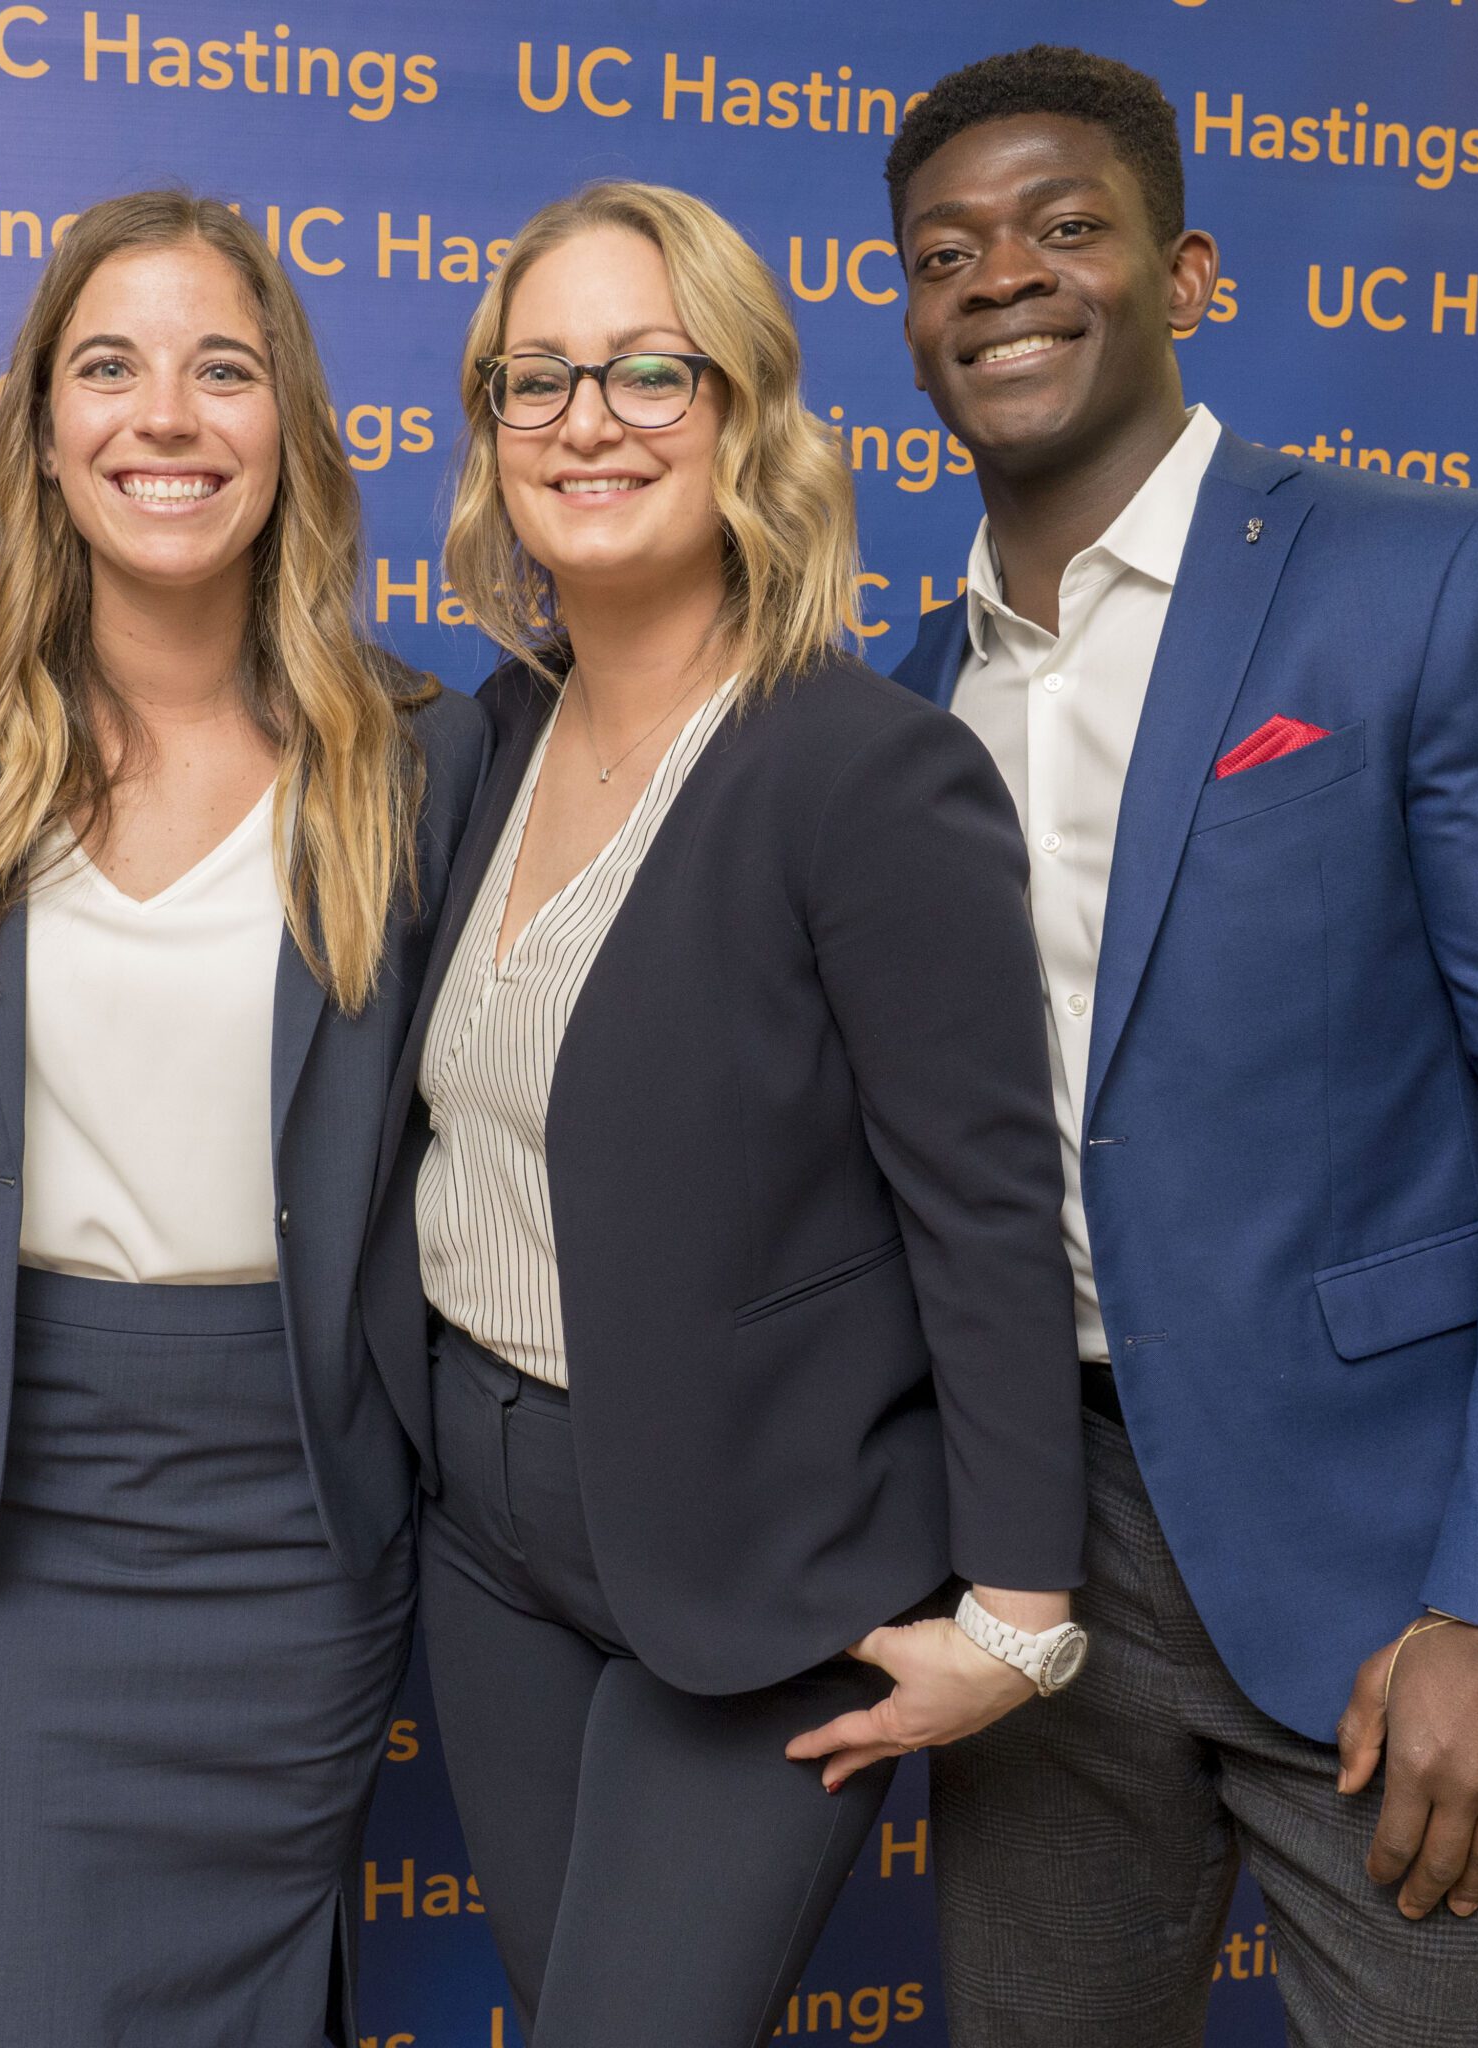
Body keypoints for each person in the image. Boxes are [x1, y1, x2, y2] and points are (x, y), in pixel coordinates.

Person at [883, 46, 1478, 2047]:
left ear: (1186, 269)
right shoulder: (904, 696)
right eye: (943, 252)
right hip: (1032, 1564)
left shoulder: (1428, 578)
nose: (1003, 280)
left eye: (1064, 229)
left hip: (1392, 1569)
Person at [351, 179, 1090, 2048]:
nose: (588, 420)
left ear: (748, 414)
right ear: (490, 432)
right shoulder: (479, 747)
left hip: (763, 1567)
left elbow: (985, 1206)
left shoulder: (866, 772)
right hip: (488, 1534)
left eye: (648, 372)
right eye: (540, 380)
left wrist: (1017, 1614)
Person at [0, 190, 490, 2048]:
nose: (167, 415)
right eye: (110, 368)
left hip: (291, 1519)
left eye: (224, 370)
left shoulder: (419, 754)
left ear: (287, 425)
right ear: (44, 434)